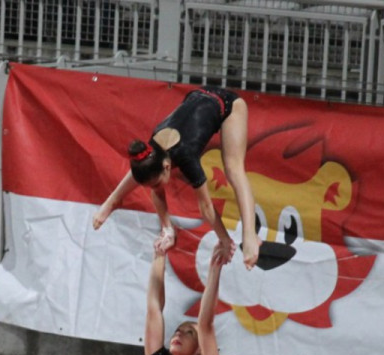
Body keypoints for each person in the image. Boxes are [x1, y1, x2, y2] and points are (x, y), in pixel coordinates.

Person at [93, 86, 260, 270]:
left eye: (156, 183)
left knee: (233, 169)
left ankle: (250, 234)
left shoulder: (186, 157)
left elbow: (206, 208)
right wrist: (167, 229)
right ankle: (114, 202)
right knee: (147, 170)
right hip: (197, 97)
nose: (155, 189)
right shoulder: (152, 151)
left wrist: (225, 240)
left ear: (167, 167)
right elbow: (147, 177)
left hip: (228, 105)